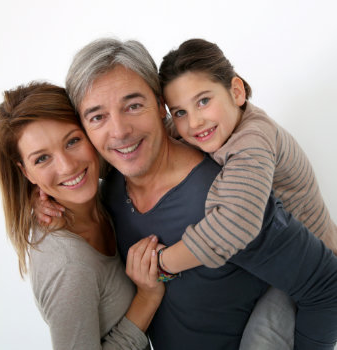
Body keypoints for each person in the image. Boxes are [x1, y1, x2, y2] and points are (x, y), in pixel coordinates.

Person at [38, 38, 337, 350]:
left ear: (158, 105)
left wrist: (162, 266)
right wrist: (44, 195)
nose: (120, 131)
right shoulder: (113, 183)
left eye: (134, 106)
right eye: (97, 116)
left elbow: (327, 287)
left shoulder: (231, 199)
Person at [0, 82, 164, 350]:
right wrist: (147, 297)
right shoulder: (68, 267)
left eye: (72, 141)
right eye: (41, 159)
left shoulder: (109, 192)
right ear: (25, 172)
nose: (67, 166)